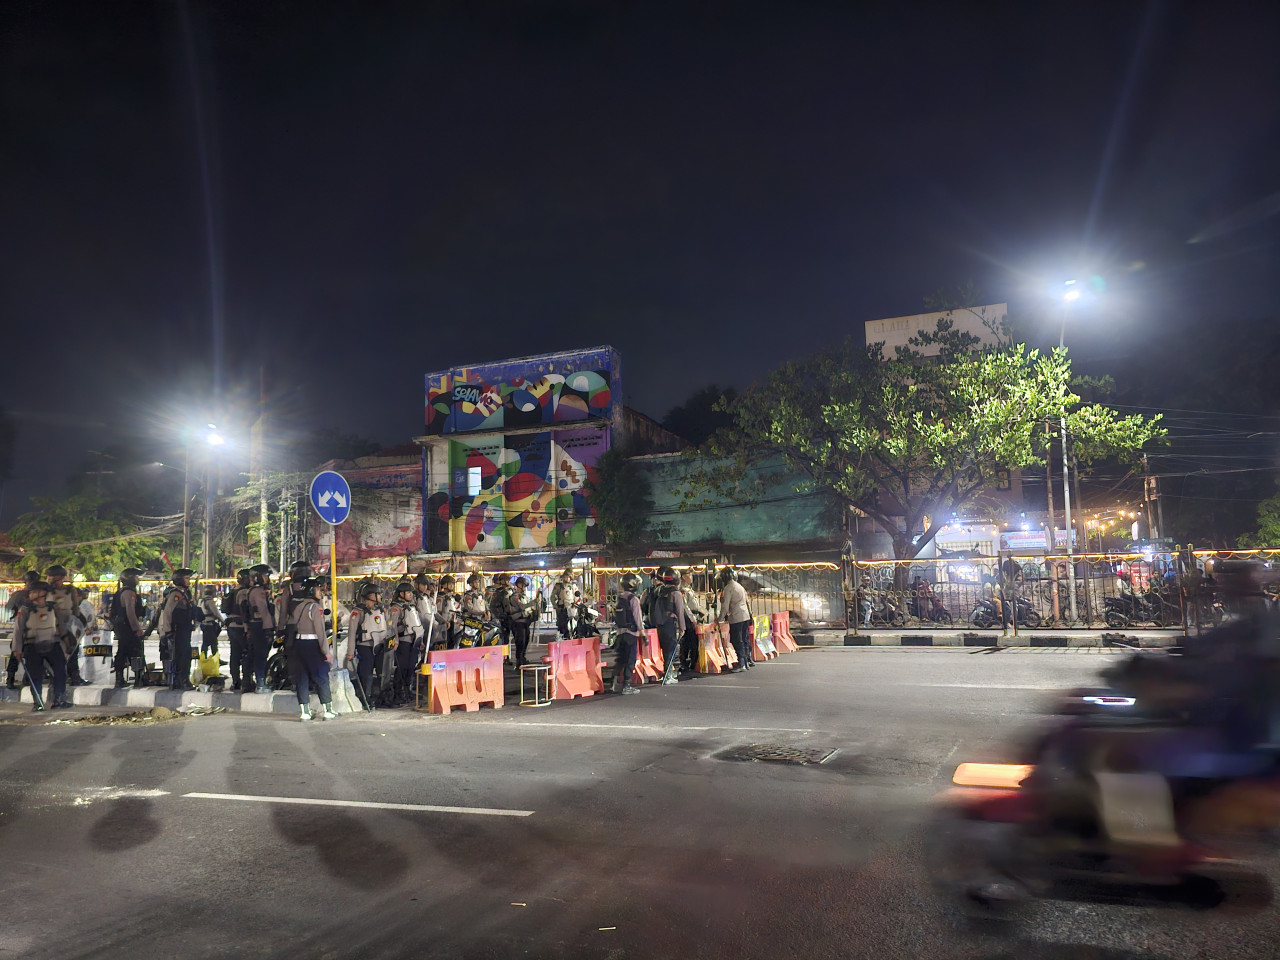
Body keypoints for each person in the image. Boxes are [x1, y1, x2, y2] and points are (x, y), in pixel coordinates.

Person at [14, 581, 72, 710]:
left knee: (60, 671)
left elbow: (61, 626)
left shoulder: (53, 607)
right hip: (32, 646)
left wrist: (67, 642)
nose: (32, 594)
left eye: (35, 592)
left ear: (43, 593)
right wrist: (17, 649)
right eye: (31, 592)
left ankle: (58, 699)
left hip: (53, 644)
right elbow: (18, 630)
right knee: (35, 675)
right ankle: (38, 703)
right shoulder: (25, 610)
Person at [289, 577, 338, 721]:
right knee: (322, 676)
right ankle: (327, 710)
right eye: (318, 589)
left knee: (302, 678)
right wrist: (326, 652)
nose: (320, 592)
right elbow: (320, 632)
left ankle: (305, 712)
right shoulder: (315, 608)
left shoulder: (298, 607)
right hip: (313, 645)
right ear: (311, 591)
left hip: (299, 644)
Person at [344, 581, 389, 710]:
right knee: (366, 673)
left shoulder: (381, 610)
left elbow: (388, 627)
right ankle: (365, 697)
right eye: (377, 594)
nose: (380, 597)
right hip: (365, 646)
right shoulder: (358, 612)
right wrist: (350, 652)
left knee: (382, 672)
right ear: (370, 595)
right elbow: (351, 633)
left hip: (380, 646)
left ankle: (381, 696)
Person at [45, 565, 88, 686]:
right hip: (53, 626)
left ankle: (75, 677)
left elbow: (75, 608)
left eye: (53, 576)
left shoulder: (69, 590)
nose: (50, 579)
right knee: (55, 654)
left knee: (72, 651)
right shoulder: (46, 591)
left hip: (68, 624)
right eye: (49, 576)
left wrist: (80, 621)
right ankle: (54, 678)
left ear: (61, 577)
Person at [159, 568, 197, 690]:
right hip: (178, 631)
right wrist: (168, 630)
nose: (189, 581)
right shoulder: (176, 594)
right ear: (179, 580)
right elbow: (167, 612)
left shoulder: (184, 594)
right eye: (186, 578)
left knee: (185, 655)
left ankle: (182, 680)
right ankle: (181, 680)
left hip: (184, 630)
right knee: (181, 656)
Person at [109, 568, 147, 687]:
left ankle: (120, 678)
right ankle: (138, 678)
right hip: (128, 627)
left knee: (123, 650)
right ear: (130, 578)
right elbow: (130, 613)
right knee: (135, 650)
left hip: (121, 627)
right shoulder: (129, 593)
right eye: (136, 577)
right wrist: (137, 629)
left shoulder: (121, 592)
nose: (138, 579)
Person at [388, 579, 424, 704]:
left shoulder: (412, 607)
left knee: (411, 667)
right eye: (408, 592)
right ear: (401, 594)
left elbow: (417, 624)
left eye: (411, 593)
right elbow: (392, 627)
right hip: (403, 642)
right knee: (401, 668)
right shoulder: (396, 608)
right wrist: (395, 641)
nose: (411, 595)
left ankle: (408, 690)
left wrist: (421, 640)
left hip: (414, 641)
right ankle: (398, 693)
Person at [650, 566, 687, 684]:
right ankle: (668, 675)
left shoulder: (658, 591)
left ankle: (667, 673)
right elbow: (680, 612)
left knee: (665, 650)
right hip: (670, 624)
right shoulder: (676, 594)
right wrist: (682, 628)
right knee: (671, 650)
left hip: (660, 625)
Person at [6, 570, 40, 689]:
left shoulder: (23, 594)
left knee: (28, 656)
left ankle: (18, 678)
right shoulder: (21, 595)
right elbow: (10, 609)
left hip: (30, 628)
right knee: (17, 653)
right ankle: (11, 678)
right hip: (23, 627)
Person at [715, 567, 752, 672]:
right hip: (745, 616)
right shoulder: (739, 586)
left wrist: (720, 618)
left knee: (737, 640)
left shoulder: (728, 588)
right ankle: (746, 661)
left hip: (736, 617)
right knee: (744, 639)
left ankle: (741, 663)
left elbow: (725, 607)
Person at [245, 564, 276, 693]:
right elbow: (264, 611)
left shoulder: (253, 590)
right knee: (260, 656)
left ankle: (250, 681)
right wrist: (269, 628)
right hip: (260, 626)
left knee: (255, 655)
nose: (267, 578)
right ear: (257, 577)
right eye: (265, 576)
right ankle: (260, 683)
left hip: (255, 625)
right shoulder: (258, 592)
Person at [612, 573, 644, 694]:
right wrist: (642, 632)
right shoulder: (633, 599)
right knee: (630, 659)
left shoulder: (620, 598)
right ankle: (626, 685)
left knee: (621, 659)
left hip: (620, 633)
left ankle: (613, 683)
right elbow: (638, 617)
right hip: (632, 633)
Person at [503, 576, 540, 666]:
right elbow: (522, 606)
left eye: (524, 586)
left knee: (526, 640)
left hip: (525, 622)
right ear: (518, 585)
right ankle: (519, 660)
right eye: (523, 585)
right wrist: (533, 602)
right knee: (520, 641)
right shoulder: (514, 597)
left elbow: (528, 608)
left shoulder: (524, 596)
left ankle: (523, 657)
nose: (524, 588)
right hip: (518, 622)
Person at [225, 569, 251, 691]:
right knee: (246, 653)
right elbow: (244, 609)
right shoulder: (243, 592)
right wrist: (247, 627)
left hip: (232, 626)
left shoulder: (234, 590)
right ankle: (246, 681)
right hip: (240, 627)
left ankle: (235, 680)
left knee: (234, 654)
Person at [678, 571, 708, 672]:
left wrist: (703, 613)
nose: (691, 577)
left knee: (694, 642)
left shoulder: (689, 589)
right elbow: (685, 606)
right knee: (687, 641)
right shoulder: (682, 590)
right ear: (683, 577)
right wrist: (692, 618)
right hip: (688, 619)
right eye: (688, 575)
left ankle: (693, 662)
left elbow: (696, 605)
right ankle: (684, 662)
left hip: (694, 616)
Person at [198, 585, 224, 658]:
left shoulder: (201, 600)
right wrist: (222, 621)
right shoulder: (210, 601)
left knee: (205, 642)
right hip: (210, 624)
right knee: (213, 642)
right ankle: (215, 658)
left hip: (204, 624)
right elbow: (216, 613)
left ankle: (204, 657)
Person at [489, 573, 513, 649]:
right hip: (503, 617)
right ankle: (504, 657)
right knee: (504, 638)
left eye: (508, 580)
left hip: (511, 616)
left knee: (509, 638)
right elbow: (493, 605)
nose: (507, 582)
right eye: (505, 580)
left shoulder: (511, 590)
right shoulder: (499, 592)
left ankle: (508, 656)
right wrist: (499, 615)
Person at [436, 574, 460, 648]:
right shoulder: (440, 597)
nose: (452, 586)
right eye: (450, 584)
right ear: (444, 585)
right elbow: (438, 611)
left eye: (453, 584)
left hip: (452, 622)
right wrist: (442, 621)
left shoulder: (452, 597)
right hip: (443, 624)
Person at [550, 570, 574, 640]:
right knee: (562, 625)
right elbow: (552, 597)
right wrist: (555, 606)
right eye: (565, 577)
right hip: (561, 608)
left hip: (571, 608)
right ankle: (562, 638)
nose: (567, 579)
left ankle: (569, 637)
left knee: (572, 625)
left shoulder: (572, 587)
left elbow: (577, 597)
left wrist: (576, 605)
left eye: (568, 577)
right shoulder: (558, 586)